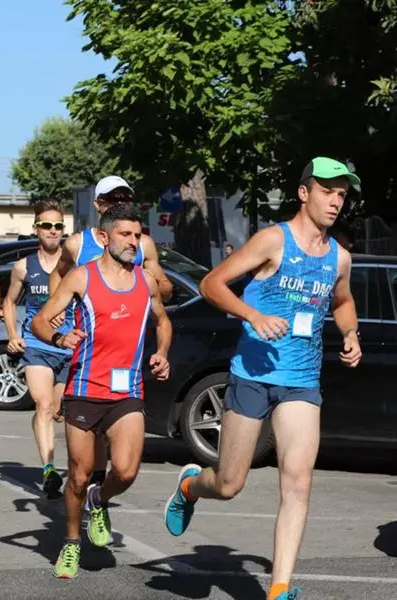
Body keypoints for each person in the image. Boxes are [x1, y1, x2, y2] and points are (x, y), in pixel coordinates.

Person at [163, 157, 363, 600]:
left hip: (301, 381)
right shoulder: (274, 240)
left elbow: (343, 300)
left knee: (298, 481)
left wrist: (350, 333)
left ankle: (279, 587)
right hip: (252, 374)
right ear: (304, 192)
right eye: (327, 191)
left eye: (342, 194)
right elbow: (214, 283)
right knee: (230, 483)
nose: (335, 201)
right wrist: (253, 313)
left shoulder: (339, 257)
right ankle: (191, 485)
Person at [32, 202, 172, 579]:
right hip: (83, 388)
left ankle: (100, 498)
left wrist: (161, 352)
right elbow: (41, 321)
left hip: (128, 391)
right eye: (125, 235)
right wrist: (61, 337)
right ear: (106, 237)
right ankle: (72, 543)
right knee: (78, 475)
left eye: (138, 235)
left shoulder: (146, 280)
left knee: (125, 471)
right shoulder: (82, 277)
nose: (133, 242)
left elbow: (163, 321)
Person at [3, 200, 74, 498]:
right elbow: (8, 302)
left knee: (57, 411)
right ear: (36, 229)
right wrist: (11, 334)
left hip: (70, 346)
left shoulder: (75, 265)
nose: (53, 231)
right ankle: (48, 469)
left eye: (59, 226)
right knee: (42, 405)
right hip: (36, 345)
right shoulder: (23, 267)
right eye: (47, 225)